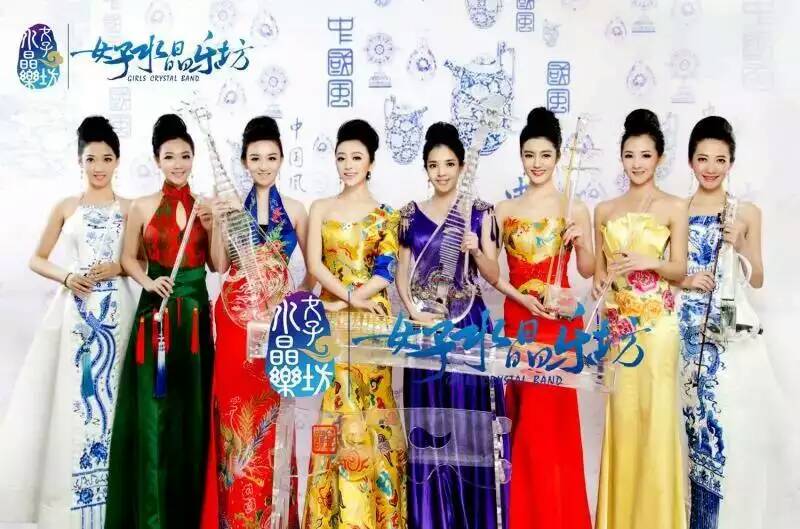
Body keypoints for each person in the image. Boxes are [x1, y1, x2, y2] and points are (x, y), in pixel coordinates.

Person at [0, 116, 133, 529]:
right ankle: (71, 510)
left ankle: (114, 508)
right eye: (91, 159)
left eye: (106, 158)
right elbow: (36, 258)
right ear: (80, 161)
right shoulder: (66, 207)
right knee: (76, 407)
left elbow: (141, 263)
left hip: (117, 315)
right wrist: (68, 276)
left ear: (117, 161)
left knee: (116, 403)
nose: (99, 167)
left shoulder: (130, 209)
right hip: (76, 316)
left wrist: (116, 267)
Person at [104, 114, 215, 529]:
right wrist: (150, 281)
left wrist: (214, 226)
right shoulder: (141, 206)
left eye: (185, 156)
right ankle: (152, 518)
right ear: (156, 160)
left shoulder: (205, 206)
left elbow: (218, 264)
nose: (178, 164)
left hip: (196, 321)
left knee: (191, 417)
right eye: (169, 156)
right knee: (154, 415)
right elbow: (127, 258)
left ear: (193, 158)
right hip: (156, 321)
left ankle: (189, 516)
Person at [201, 115, 310, 529]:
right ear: (245, 162)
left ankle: (274, 517)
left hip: (278, 327)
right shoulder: (232, 207)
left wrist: (294, 305)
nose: (263, 165)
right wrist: (217, 221)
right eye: (255, 158)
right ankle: (235, 518)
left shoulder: (296, 210)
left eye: (271, 157)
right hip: (235, 324)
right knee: (234, 415)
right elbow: (218, 264)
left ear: (281, 159)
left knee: (276, 418)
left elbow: (312, 271)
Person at [396, 121, 506, 529]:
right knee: (427, 428)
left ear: (461, 166)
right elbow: (402, 274)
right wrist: (413, 312)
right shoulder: (410, 215)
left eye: (448, 164)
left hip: (467, 328)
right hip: (425, 332)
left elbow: (493, 274)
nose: (441, 172)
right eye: (433, 165)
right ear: (426, 168)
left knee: (468, 426)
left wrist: (476, 250)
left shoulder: (479, 213)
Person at [493, 107, 594, 529]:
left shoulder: (574, 207)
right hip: (519, 322)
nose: (537, 163)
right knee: (525, 430)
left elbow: (588, 270)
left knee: (553, 432)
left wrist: (581, 241)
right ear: (521, 156)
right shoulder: (504, 209)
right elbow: (491, 273)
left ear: (557, 157)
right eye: (529, 155)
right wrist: (475, 249)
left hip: (558, 326)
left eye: (545, 155)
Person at [302, 119, 406, 529]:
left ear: (371, 163)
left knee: (373, 410)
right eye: (342, 157)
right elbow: (315, 266)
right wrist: (348, 298)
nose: (348, 165)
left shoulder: (387, 215)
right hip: (331, 317)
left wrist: (355, 300)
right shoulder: (320, 208)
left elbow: (386, 269)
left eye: (356, 158)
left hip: (371, 323)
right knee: (336, 408)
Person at [593, 109, 688, 529]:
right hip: (620, 332)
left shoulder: (674, 207)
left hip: (659, 330)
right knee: (624, 423)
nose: (637, 163)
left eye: (645, 155)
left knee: (657, 425)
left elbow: (680, 269)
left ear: (659, 158)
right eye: (629, 155)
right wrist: (600, 285)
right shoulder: (604, 210)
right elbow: (598, 277)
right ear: (621, 158)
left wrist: (649, 261)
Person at [678, 116, 771, 529]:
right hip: (684, 331)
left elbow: (758, 277)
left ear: (731, 162)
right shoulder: (676, 210)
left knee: (721, 428)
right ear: (690, 162)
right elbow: (669, 272)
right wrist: (685, 280)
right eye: (702, 159)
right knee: (686, 428)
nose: (711, 168)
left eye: (720, 159)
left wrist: (740, 244)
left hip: (726, 335)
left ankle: (717, 520)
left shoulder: (745, 212)